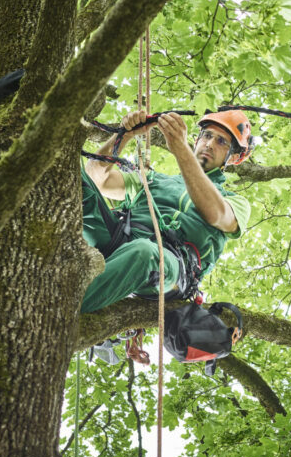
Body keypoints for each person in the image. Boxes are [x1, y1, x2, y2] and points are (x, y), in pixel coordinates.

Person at [81, 109, 253, 315]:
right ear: (197, 140)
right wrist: (123, 134)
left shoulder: (233, 201)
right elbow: (96, 179)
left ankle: (53, 314)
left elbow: (216, 214)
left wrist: (180, 148)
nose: (209, 144)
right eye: (207, 136)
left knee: (145, 252)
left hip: (169, 265)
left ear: (233, 158)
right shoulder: (152, 179)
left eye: (221, 142)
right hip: (120, 236)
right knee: (76, 178)